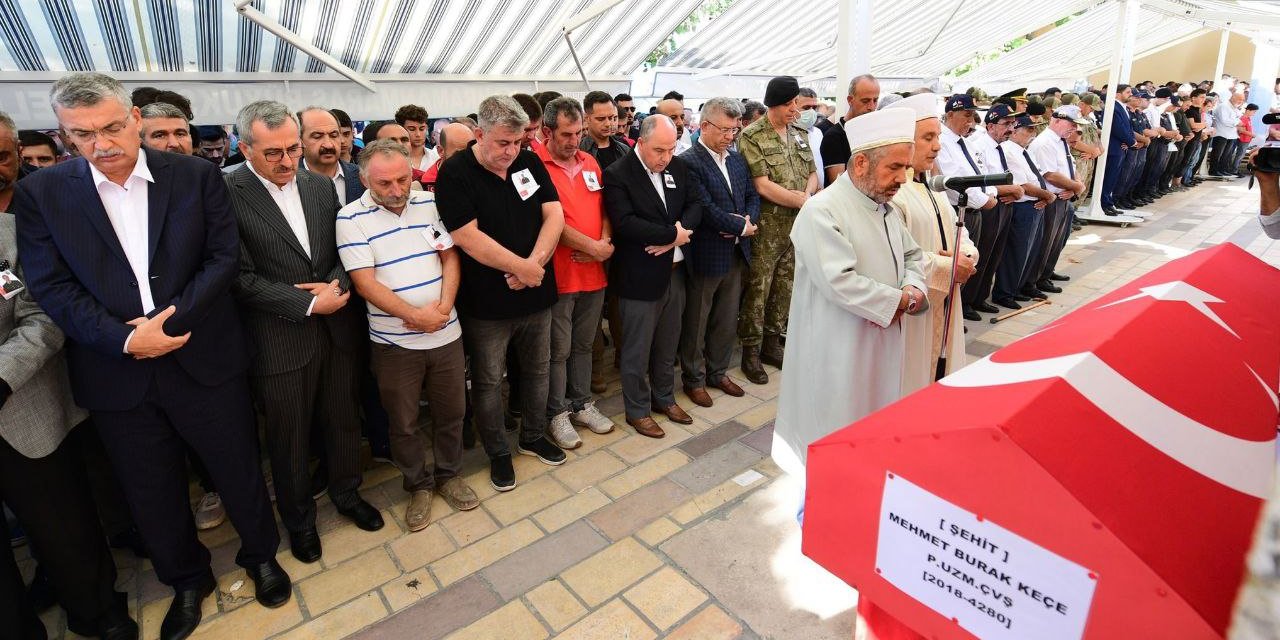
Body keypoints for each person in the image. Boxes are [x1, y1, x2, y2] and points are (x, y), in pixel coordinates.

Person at [14, 72, 289, 640]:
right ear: (63, 136)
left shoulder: (194, 175)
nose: (102, 144)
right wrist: (124, 339)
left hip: (201, 354)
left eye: (113, 127)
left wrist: (171, 322)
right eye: (81, 135)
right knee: (151, 489)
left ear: (135, 118)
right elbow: (50, 285)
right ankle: (187, 580)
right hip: (116, 372)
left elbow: (221, 257)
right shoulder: (43, 194)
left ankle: (261, 556)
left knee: (238, 468)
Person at [224, 100, 383, 563]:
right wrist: (308, 302)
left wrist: (337, 283)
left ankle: (348, 493)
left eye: (293, 148)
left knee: (342, 419)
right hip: (278, 338)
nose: (287, 161)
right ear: (244, 146)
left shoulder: (317, 187)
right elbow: (236, 275)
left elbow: (343, 248)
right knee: (289, 436)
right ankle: (299, 521)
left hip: (337, 329)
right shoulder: (226, 191)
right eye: (273, 152)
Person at [0, 111, 138, 640]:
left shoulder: (27, 222)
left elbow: (43, 312)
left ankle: (96, 611)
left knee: (63, 523)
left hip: (25, 403)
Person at [773, 105, 926, 478]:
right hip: (837, 353)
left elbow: (912, 254)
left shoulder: (884, 207)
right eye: (894, 167)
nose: (903, 178)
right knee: (833, 444)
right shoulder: (822, 211)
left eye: (905, 167)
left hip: (881, 345)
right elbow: (839, 281)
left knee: (873, 433)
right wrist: (900, 300)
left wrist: (913, 285)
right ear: (860, 164)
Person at [337, 139, 480, 530]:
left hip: (446, 333)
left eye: (403, 179)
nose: (398, 190)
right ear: (364, 179)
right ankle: (417, 483)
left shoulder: (429, 203)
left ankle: (449, 475)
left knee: (453, 412)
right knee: (403, 421)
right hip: (395, 344)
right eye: (385, 184)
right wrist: (415, 317)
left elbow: (450, 256)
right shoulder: (350, 218)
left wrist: (444, 307)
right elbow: (365, 283)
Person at [434, 95, 567, 491]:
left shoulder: (527, 160)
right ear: (479, 133)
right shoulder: (455, 173)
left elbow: (554, 213)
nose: (511, 152)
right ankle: (497, 452)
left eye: (518, 142)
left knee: (538, 368)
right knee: (490, 380)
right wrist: (520, 267)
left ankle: (531, 435)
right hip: (487, 301)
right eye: (502, 143)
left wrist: (535, 265)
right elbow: (466, 236)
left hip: (536, 289)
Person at [603, 114, 701, 438]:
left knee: (667, 342)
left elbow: (695, 204)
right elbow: (625, 223)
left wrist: (679, 233)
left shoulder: (678, 167)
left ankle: (664, 398)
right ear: (641, 143)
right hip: (639, 275)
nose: (666, 158)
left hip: (674, 271)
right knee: (637, 348)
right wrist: (671, 236)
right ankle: (637, 409)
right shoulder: (619, 174)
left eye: (671, 150)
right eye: (659, 150)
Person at [535, 97, 616, 449]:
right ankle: (556, 412)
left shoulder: (589, 162)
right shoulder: (533, 165)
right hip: (560, 273)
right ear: (546, 131)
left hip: (593, 272)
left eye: (579, 132)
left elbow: (603, 207)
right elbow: (549, 219)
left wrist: (605, 240)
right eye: (567, 134)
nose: (574, 140)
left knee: (585, 343)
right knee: (558, 348)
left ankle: (581, 402)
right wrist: (591, 246)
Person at [889, 94, 978, 394]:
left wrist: (965, 256)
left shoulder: (934, 188)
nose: (937, 146)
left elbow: (959, 233)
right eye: (927, 138)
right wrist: (948, 266)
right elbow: (895, 257)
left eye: (937, 136)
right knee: (909, 382)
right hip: (916, 312)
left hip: (947, 300)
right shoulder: (893, 195)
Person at [737, 76, 817, 384]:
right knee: (759, 288)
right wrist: (803, 201)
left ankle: (773, 342)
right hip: (768, 226)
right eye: (790, 104)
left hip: (797, 224)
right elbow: (762, 185)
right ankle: (751, 351)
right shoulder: (752, 135)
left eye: (796, 103)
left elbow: (812, 172)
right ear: (774, 105)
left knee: (786, 286)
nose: (795, 110)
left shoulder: (799, 133)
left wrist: (806, 198)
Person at [678, 97, 759, 408]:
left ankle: (718, 371)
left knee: (726, 319)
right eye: (725, 130)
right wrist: (739, 227)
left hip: (737, 252)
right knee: (697, 320)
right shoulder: (689, 162)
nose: (730, 136)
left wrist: (748, 222)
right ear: (705, 126)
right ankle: (694, 379)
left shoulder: (737, 160)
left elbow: (751, 195)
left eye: (735, 130)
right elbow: (704, 208)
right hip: (708, 252)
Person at [935, 94, 1022, 317]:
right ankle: (954, 310)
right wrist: (985, 200)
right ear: (950, 114)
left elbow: (981, 174)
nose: (971, 121)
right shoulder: (943, 142)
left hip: (977, 208)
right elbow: (954, 181)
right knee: (960, 263)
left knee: (978, 258)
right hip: (960, 209)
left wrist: (990, 193)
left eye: (973, 116)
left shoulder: (964, 142)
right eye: (966, 115)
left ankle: (970, 301)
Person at [960, 102, 1020, 319]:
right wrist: (1008, 190)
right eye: (1006, 123)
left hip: (1001, 203)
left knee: (994, 254)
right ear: (991, 125)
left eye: (1013, 124)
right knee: (981, 254)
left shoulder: (999, 146)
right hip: (987, 205)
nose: (1011, 129)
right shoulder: (979, 145)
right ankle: (966, 302)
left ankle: (980, 297)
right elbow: (981, 181)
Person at [1024, 106, 1089, 298]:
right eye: (1071, 123)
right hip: (1051, 199)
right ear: (1057, 120)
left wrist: (1076, 185)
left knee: (1057, 241)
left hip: (1064, 197)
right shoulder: (1044, 143)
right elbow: (1050, 175)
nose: (1074, 128)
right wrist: (1076, 187)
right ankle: (1033, 281)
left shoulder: (1060, 141)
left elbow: (1070, 167)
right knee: (1045, 243)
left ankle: (1045, 273)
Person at [992, 115, 1057, 310]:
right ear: (1016, 130)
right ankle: (1005, 292)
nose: (1032, 133)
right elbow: (1023, 184)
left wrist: (1044, 196)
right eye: (1028, 130)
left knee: (1030, 251)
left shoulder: (1023, 150)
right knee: (1016, 252)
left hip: (1035, 205)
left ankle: (1018, 287)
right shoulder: (1009, 150)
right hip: (1023, 205)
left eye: (1033, 129)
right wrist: (1047, 195)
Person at [821, 73, 880, 185]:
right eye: (865, 101)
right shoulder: (834, 137)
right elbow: (839, 184)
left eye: (875, 100)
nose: (871, 107)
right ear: (850, 100)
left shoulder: (874, 132)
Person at [297, 106, 361, 206]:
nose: (328, 144)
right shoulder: (288, 181)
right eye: (317, 136)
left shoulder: (362, 177)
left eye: (334, 135)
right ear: (299, 140)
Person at [580, 91, 631, 171]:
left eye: (611, 118)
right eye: (601, 119)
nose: (608, 124)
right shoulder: (578, 151)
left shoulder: (625, 150)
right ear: (587, 119)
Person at [420, 121, 474, 192]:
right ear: (441, 151)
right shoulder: (425, 185)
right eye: (459, 154)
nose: (467, 158)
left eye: (470, 152)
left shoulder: (481, 175)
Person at [395, 104, 440, 172]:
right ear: (401, 129)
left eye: (422, 129)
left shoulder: (437, 157)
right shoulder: (394, 159)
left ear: (427, 128)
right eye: (412, 129)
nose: (418, 134)